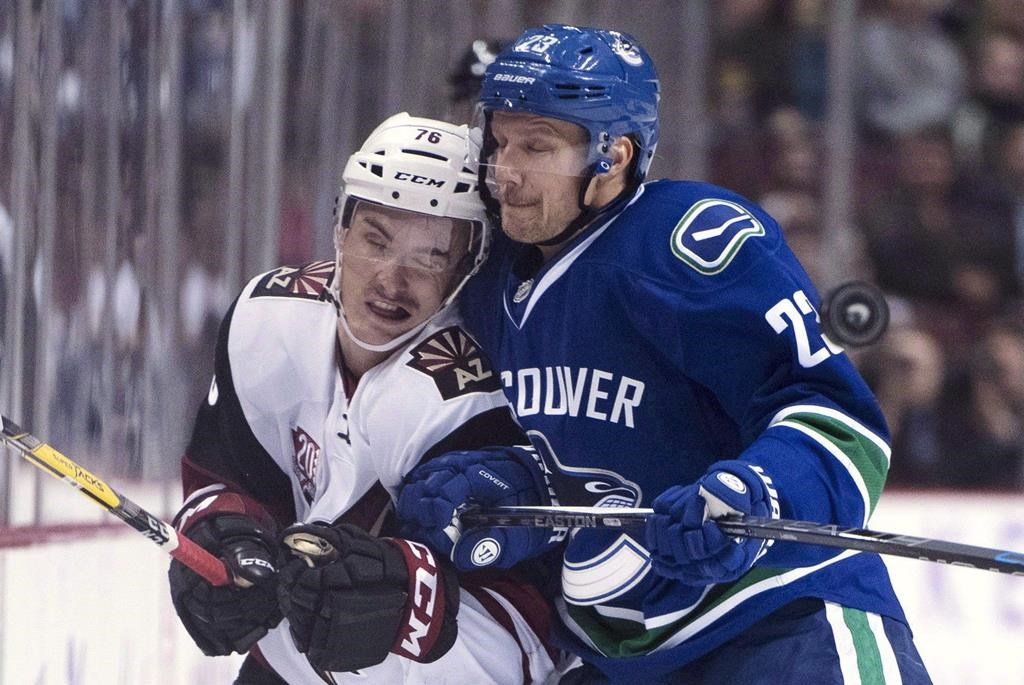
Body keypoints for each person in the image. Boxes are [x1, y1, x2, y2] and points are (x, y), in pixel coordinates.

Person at [396, 24, 931, 684]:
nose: (506, 171)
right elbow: (610, 452)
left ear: (612, 156)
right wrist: (519, 487)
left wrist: (758, 493)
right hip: (623, 651)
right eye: (500, 142)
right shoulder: (490, 282)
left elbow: (840, 424)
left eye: (536, 147)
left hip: (781, 618)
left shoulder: (686, 247)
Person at [167, 113, 559, 684]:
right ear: (341, 230)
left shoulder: (475, 395)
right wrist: (224, 533)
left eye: (430, 256)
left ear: (469, 266)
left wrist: (407, 601)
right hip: (291, 667)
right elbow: (220, 474)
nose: (391, 281)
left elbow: (528, 635)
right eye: (377, 240)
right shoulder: (268, 320)